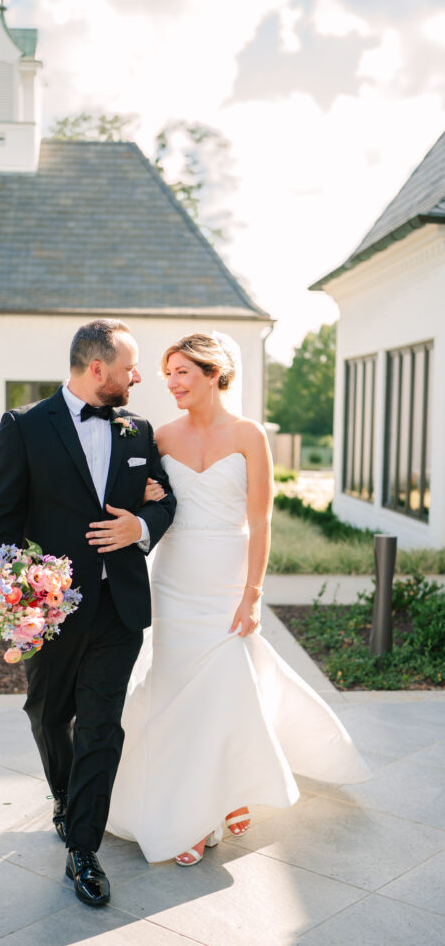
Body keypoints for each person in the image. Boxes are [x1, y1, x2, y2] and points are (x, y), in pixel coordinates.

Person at [107, 332, 369, 865]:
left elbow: (260, 520)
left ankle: (225, 795)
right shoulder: (159, 439)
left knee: (227, 683)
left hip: (229, 579)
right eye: (168, 374)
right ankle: (190, 809)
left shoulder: (250, 435)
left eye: (183, 372)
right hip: (176, 580)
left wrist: (253, 595)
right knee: (179, 692)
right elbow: (141, 503)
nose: (173, 384)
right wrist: (148, 495)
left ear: (212, 374)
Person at [0, 319, 176, 905]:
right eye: (130, 367)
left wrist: (139, 526)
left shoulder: (139, 430)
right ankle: (65, 798)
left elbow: (165, 498)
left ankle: (83, 848)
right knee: (46, 714)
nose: (137, 377)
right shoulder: (23, 426)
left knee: (100, 724)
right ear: (98, 370)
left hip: (119, 606)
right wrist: (25, 596)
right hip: (52, 611)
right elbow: (1, 523)